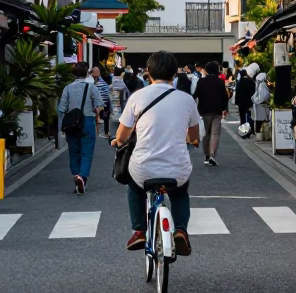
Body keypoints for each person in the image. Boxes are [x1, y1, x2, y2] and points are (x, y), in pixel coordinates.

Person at [111, 51, 202, 255]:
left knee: (134, 189)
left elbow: (123, 135)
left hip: (143, 169)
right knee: (179, 194)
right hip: (177, 170)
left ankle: (139, 231)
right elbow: (194, 136)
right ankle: (180, 230)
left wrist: (117, 141)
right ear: (174, 74)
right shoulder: (186, 99)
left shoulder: (137, 97)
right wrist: (192, 140)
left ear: (148, 73)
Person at [57, 61, 105, 194]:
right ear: (87, 73)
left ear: (74, 74)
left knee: (73, 152)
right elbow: (100, 105)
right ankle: (82, 177)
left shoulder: (67, 88)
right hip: (87, 121)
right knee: (87, 152)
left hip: (71, 123)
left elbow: (61, 108)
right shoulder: (91, 87)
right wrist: (95, 111)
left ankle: (76, 176)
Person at [192, 60, 229, 166]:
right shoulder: (220, 82)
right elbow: (224, 97)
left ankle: (207, 155)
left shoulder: (201, 81)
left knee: (206, 134)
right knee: (215, 133)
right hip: (217, 111)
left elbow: (195, 95)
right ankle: (212, 155)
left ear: (207, 70)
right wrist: (224, 109)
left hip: (204, 111)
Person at [234, 64, 257, 136]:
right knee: (250, 116)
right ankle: (251, 130)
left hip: (241, 102)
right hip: (249, 101)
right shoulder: (251, 81)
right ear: (246, 73)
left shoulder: (239, 82)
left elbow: (237, 92)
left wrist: (236, 101)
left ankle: (243, 130)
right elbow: (254, 91)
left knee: (242, 117)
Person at [91, 66, 112, 138]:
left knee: (100, 118)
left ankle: (101, 134)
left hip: (102, 103)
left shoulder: (98, 83)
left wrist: (100, 105)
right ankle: (103, 133)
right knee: (104, 119)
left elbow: (100, 96)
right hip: (105, 103)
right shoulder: (103, 82)